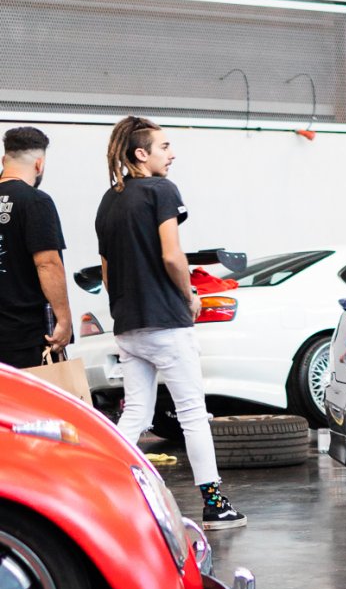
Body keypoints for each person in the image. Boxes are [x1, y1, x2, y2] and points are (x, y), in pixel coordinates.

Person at [95, 115, 246, 527]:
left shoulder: (110, 200)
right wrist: (188, 295)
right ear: (140, 154)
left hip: (128, 325)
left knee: (136, 414)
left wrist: (125, 303)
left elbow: (106, 269)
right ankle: (214, 504)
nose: (172, 154)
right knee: (193, 413)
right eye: (164, 147)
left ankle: (103, 489)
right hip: (166, 322)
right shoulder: (161, 190)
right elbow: (171, 255)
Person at [0, 125, 71, 369]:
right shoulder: (35, 201)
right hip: (24, 335)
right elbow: (47, 263)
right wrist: (64, 320)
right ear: (39, 164)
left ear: (4, 160)